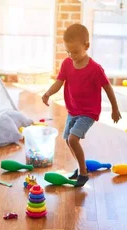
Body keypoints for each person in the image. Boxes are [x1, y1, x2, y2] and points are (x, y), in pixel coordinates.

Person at [42, 23, 121, 187]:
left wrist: (115, 108)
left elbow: (107, 88)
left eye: (75, 52)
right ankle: (81, 166)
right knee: (68, 140)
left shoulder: (95, 69)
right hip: (73, 110)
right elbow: (58, 82)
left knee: (73, 138)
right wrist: (48, 93)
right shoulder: (66, 64)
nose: (72, 55)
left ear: (87, 46)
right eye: (68, 51)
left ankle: (83, 174)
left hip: (88, 112)